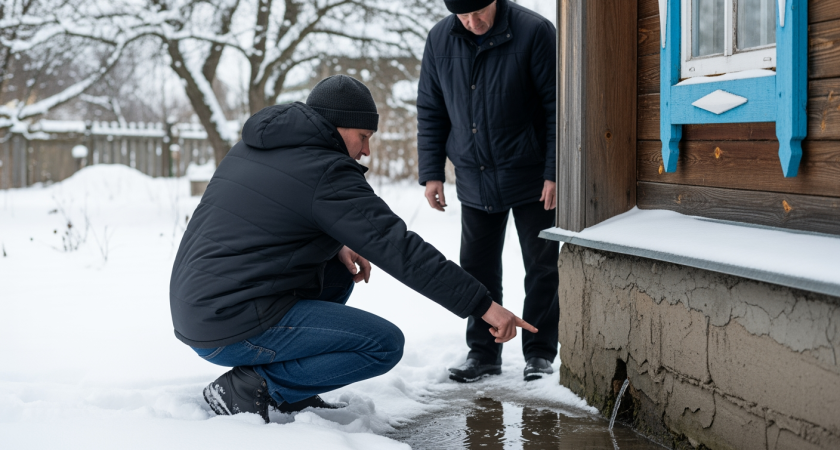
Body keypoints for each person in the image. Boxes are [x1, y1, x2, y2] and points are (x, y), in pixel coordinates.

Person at [169, 75, 536, 423]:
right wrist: (482, 305)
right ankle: (248, 389)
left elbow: (266, 222)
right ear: (337, 125)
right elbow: (399, 248)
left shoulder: (254, 147)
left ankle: (293, 389)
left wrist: (335, 245)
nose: (366, 150)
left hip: (200, 310)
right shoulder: (325, 171)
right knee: (382, 344)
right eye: (363, 136)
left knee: (337, 271)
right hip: (230, 324)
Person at [417, 0, 559, 382]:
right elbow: (431, 109)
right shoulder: (439, 38)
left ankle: (540, 353)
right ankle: (482, 353)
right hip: (474, 175)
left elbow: (556, 107)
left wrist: (554, 172)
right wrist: (431, 173)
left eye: (478, 12)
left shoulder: (534, 31)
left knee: (541, 267)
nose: (472, 22)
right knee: (476, 268)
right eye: (462, 16)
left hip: (532, 177)